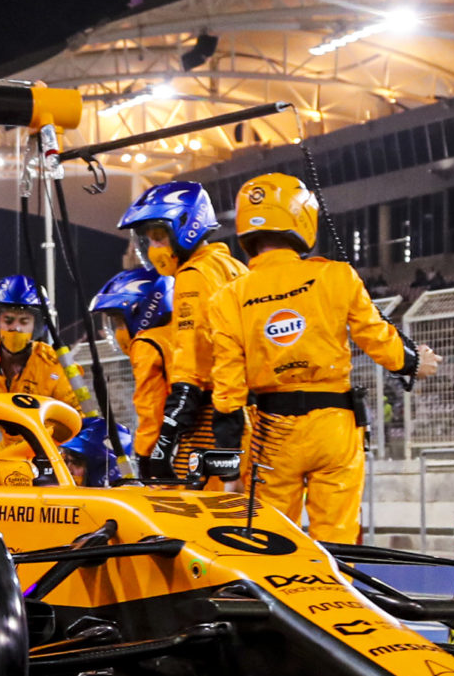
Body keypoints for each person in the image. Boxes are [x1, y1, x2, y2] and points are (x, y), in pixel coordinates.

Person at [203, 174, 435, 543]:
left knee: (271, 538)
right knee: (339, 536)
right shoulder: (335, 275)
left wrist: (229, 463)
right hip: (334, 425)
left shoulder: (227, 298)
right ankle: (340, 594)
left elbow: (228, 388)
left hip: (272, 431)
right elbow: (376, 336)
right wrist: (412, 362)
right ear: (302, 218)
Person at [119, 180, 245, 484]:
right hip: (245, 412)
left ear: (186, 225)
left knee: (202, 518)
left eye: (159, 237)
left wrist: (167, 435)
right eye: (149, 240)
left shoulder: (192, 275)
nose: (153, 249)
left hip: (210, 418)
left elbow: (191, 361)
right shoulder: (234, 267)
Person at [91, 267, 173, 477]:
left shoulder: (147, 345)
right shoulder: (175, 337)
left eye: (118, 321)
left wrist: (145, 461)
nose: (117, 331)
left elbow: (151, 413)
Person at [0, 275, 81, 406]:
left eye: (24, 321)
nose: (15, 328)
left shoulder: (56, 364)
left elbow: (75, 417)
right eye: (8, 320)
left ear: (37, 325)